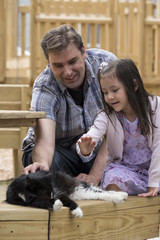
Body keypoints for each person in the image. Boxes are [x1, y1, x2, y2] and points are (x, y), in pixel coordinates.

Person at [22, 24, 117, 185]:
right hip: (58, 152)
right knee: (46, 167)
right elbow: (45, 142)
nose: (67, 72)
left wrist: (95, 175)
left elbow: (118, 125)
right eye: (57, 65)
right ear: (48, 62)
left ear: (83, 52)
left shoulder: (106, 65)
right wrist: (43, 164)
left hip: (95, 151)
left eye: (72, 62)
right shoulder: (45, 86)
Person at [77, 58, 160, 197]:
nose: (109, 97)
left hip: (156, 168)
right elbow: (91, 135)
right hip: (128, 169)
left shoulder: (155, 106)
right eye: (105, 92)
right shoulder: (107, 116)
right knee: (113, 179)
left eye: (114, 90)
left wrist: (154, 183)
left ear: (134, 85)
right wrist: (84, 149)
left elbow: (159, 146)